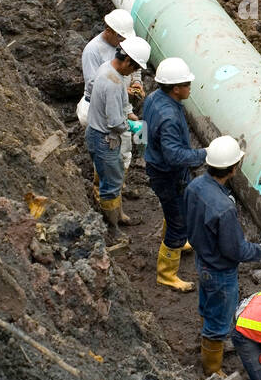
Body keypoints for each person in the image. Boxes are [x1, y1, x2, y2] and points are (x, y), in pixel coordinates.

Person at [185, 135, 261, 376]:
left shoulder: (195, 186)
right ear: (233, 168)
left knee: (209, 305)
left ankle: (211, 336)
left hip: (203, 260)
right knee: (219, 316)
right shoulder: (224, 208)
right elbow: (235, 250)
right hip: (220, 271)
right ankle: (212, 369)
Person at [142, 56, 207, 294]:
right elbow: (174, 156)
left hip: (160, 167)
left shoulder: (153, 98)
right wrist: (204, 154)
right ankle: (166, 274)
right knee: (178, 221)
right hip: (168, 173)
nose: (191, 87)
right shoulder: (169, 117)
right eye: (187, 84)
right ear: (176, 88)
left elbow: (146, 132)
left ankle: (176, 238)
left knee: (176, 210)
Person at [85, 36, 151, 236]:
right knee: (111, 185)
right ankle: (112, 228)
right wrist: (132, 126)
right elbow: (114, 123)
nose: (134, 72)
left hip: (98, 134)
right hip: (105, 138)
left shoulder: (108, 68)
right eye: (134, 67)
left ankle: (119, 215)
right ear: (127, 60)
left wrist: (129, 113)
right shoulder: (113, 82)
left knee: (113, 177)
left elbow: (120, 106)